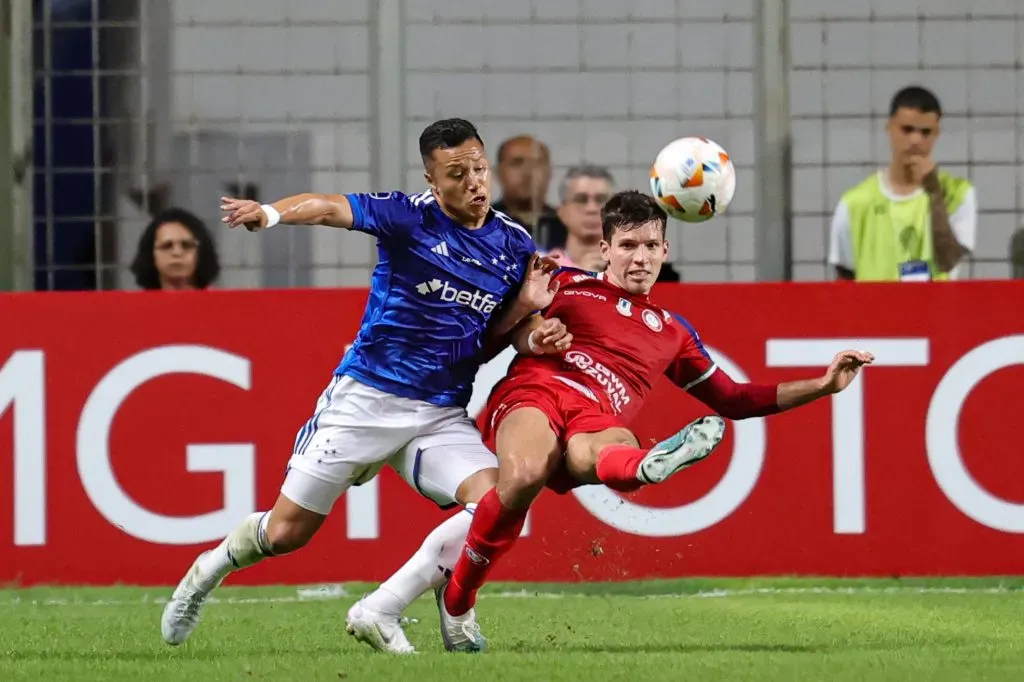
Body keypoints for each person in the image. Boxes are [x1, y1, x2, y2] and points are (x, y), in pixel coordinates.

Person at [159, 118, 572, 650]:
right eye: (456, 173)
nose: (474, 182)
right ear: (431, 180)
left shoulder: (513, 243)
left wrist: (535, 333)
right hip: (366, 401)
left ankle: (393, 608)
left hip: (440, 412)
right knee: (286, 534)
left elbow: (503, 332)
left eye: (479, 168)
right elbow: (330, 205)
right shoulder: (407, 217)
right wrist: (271, 212)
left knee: (498, 502)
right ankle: (206, 572)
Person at [433, 191, 875, 652]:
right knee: (524, 474)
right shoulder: (563, 282)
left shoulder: (674, 331)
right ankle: (459, 598)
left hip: (598, 417)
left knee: (602, 446)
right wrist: (529, 326)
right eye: (627, 246)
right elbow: (492, 334)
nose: (639, 258)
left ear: (665, 250)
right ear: (605, 249)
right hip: (537, 391)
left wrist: (823, 385)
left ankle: (644, 466)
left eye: (649, 246)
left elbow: (735, 398)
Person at [828, 85, 977, 282]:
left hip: (935, 312)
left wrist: (934, 193)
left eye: (925, 132)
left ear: (936, 133)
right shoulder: (855, 203)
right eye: (906, 130)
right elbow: (844, 279)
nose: (915, 140)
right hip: (875, 311)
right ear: (889, 127)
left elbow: (948, 261)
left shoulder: (957, 193)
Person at [492, 135, 561, 248]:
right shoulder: (478, 226)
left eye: (536, 164)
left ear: (549, 173)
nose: (528, 172)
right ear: (498, 172)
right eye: (517, 163)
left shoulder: (569, 227)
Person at [130, 207, 221, 290]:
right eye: (166, 246)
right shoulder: (136, 306)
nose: (177, 253)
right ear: (150, 254)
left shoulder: (221, 304)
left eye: (186, 246)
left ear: (202, 252)